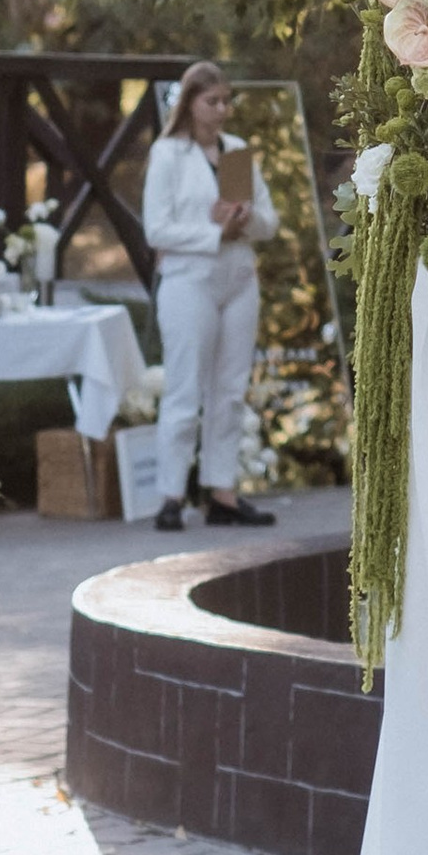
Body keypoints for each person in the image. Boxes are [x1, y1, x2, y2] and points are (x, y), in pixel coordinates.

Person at [142, 62, 279, 531]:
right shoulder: (168, 154)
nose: (222, 110)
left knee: (231, 387)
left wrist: (243, 220)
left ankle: (222, 491)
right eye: (211, 101)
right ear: (189, 104)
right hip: (189, 277)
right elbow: (155, 228)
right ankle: (171, 494)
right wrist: (212, 229)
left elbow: (269, 221)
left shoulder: (237, 150)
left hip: (239, 275)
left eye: (226, 100)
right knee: (185, 387)